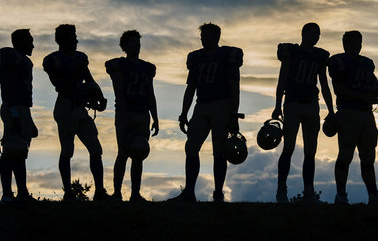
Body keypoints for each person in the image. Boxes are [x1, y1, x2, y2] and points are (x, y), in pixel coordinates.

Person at [169, 23, 243, 202]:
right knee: (191, 148)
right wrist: (183, 113)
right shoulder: (197, 58)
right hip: (201, 105)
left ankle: (218, 192)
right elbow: (191, 87)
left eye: (206, 36)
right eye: (202, 36)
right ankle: (189, 192)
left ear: (216, 37)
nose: (203, 39)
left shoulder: (226, 56)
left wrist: (233, 114)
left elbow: (234, 87)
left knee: (219, 150)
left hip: (221, 105)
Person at [43, 24, 110, 201]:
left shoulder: (80, 59)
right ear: (61, 40)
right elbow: (62, 85)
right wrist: (84, 91)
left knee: (96, 149)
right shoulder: (53, 60)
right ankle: (68, 192)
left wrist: (99, 97)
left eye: (75, 36)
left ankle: (100, 191)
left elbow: (89, 79)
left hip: (80, 107)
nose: (76, 40)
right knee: (67, 150)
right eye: (72, 36)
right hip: (66, 106)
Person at [272, 23, 334, 203]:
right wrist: (277, 105)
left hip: (311, 104)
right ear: (304, 34)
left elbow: (324, 84)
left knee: (310, 151)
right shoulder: (291, 52)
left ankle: (309, 192)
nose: (317, 36)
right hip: (292, 103)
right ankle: (281, 190)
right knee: (289, 147)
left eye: (319, 34)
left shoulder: (320, 56)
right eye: (314, 33)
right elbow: (282, 79)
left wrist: (330, 110)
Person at [328, 30, 378, 205]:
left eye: (360, 41)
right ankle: (341, 194)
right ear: (346, 44)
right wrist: (363, 97)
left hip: (366, 114)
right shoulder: (338, 61)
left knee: (368, 157)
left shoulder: (366, 63)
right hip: (348, 112)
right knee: (345, 155)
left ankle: (373, 195)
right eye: (355, 42)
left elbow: (372, 81)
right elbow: (339, 90)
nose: (359, 45)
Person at [105, 30, 159, 202]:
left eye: (138, 41)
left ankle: (135, 193)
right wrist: (125, 115)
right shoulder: (119, 65)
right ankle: (117, 192)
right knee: (123, 153)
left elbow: (150, 93)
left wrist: (155, 117)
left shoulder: (147, 68)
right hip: (125, 114)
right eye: (133, 41)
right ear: (125, 46)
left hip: (143, 114)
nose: (137, 44)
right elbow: (119, 92)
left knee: (139, 154)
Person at [0, 29, 38, 203]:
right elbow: (9, 86)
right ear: (21, 42)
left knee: (20, 150)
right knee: (11, 149)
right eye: (30, 41)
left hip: (22, 108)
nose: (33, 45)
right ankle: (7, 193)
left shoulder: (23, 60)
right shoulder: (14, 58)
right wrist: (14, 113)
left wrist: (28, 118)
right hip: (14, 106)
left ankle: (22, 192)